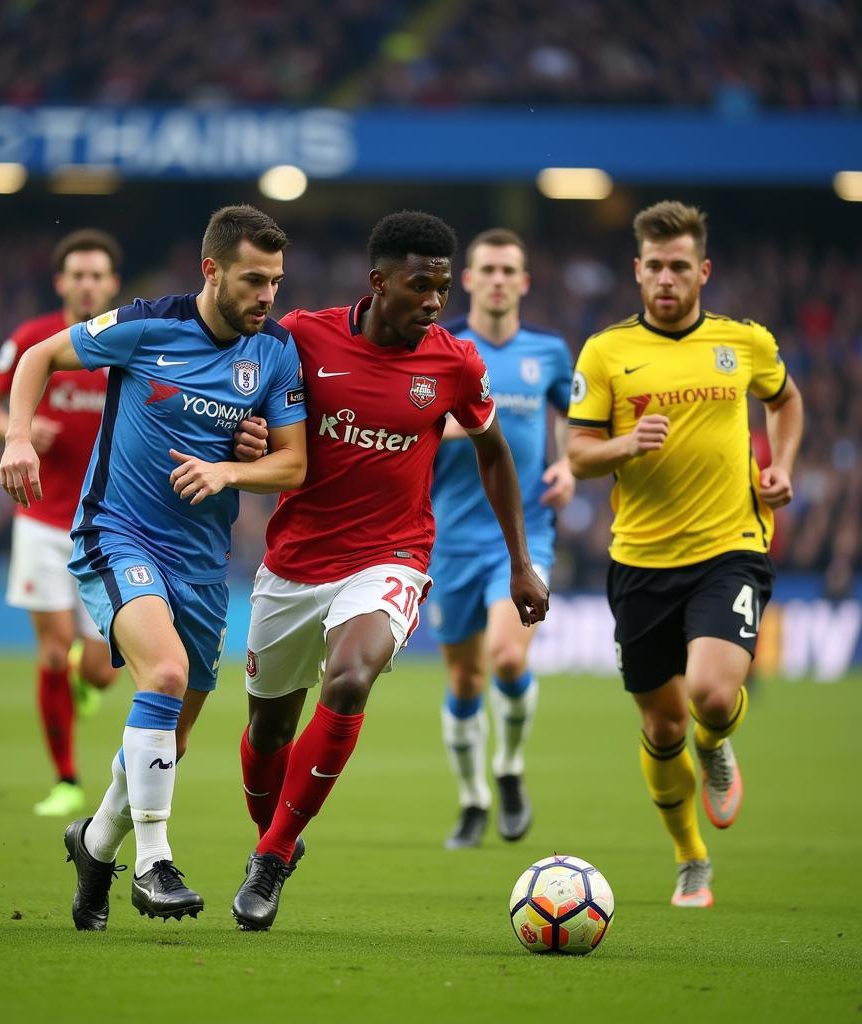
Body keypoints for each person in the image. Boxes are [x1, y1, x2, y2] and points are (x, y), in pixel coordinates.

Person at [230, 210, 549, 932]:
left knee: (349, 678)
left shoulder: (455, 362)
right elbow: (248, 412)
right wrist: (246, 437)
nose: (435, 302)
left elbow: (494, 451)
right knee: (266, 735)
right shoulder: (304, 337)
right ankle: (273, 834)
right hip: (293, 564)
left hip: (391, 557)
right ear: (378, 283)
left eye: (442, 287)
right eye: (420, 286)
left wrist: (520, 565)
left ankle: (273, 858)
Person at [0, 205, 308, 930]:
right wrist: (18, 439)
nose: (267, 295)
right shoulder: (146, 325)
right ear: (212, 270)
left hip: (203, 562)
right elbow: (39, 356)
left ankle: (96, 843)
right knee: (163, 676)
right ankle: (154, 864)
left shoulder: (275, 353)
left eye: (276, 282)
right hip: (119, 533)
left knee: (171, 734)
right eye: (254, 280)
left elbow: (291, 463)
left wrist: (233, 472)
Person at [567, 200, 803, 908]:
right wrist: (623, 445)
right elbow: (577, 456)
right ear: (636, 271)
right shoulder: (606, 352)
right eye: (654, 267)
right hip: (640, 560)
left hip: (731, 546)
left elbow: (785, 402)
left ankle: (718, 740)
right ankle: (689, 854)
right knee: (660, 723)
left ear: (702, 270)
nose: (666, 279)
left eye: (679, 266)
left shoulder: (744, 343)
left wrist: (783, 463)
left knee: (709, 693)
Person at [429, 228, 574, 849]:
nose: (496, 279)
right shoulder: (441, 346)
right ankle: (472, 799)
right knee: (464, 681)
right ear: (468, 279)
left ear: (523, 281)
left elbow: (569, 416)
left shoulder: (549, 352)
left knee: (508, 657)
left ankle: (510, 768)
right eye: (485, 268)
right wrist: (470, 429)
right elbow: (419, 423)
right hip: (448, 537)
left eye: (507, 270)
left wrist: (567, 464)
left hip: (521, 533)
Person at [0, 229, 123, 818]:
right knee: (54, 652)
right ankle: (66, 779)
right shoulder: (33, 339)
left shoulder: (128, 342)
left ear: (111, 284)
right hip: (38, 518)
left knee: (102, 671)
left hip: (107, 525)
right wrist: (22, 431)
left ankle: (90, 684)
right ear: (61, 282)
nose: (87, 284)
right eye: (77, 275)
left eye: (97, 275)